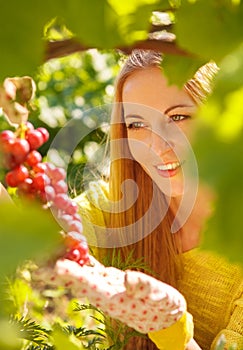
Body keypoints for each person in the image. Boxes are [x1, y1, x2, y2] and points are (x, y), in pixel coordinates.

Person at [75, 50, 242, 349]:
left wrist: (171, 327)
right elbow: (30, 243)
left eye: (178, 117)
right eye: (137, 124)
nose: (156, 146)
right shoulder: (116, 207)